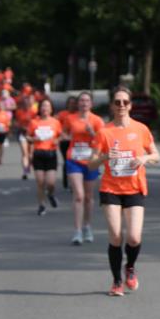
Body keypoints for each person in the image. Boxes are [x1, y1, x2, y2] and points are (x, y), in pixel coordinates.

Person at [88, 87, 159, 296]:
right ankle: (117, 281)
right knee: (116, 236)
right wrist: (104, 157)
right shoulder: (104, 132)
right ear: (112, 105)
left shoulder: (141, 129)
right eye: (117, 102)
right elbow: (91, 163)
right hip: (110, 188)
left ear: (130, 105)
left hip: (135, 188)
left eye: (125, 102)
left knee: (134, 237)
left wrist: (145, 158)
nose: (121, 106)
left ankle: (130, 267)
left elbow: (156, 154)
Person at [62, 91, 104, 245]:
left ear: (91, 104)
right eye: (81, 100)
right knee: (78, 195)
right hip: (74, 159)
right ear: (77, 103)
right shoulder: (70, 118)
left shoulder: (97, 120)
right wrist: (65, 137)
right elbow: (64, 133)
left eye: (87, 101)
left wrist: (92, 133)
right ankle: (77, 231)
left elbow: (103, 140)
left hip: (91, 160)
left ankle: (87, 226)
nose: (84, 103)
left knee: (88, 197)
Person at [25, 98, 62, 216]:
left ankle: (50, 194)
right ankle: (41, 205)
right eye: (43, 106)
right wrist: (33, 139)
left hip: (51, 154)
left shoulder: (55, 122)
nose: (45, 108)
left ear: (51, 109)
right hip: (38, 154)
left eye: (47, 106)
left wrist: (57, 140)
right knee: (40, 182)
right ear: (39, 109)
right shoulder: (34, 122)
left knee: (51, 183)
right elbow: (27, 137)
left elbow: (61, 136)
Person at [56, 96, 78, 190]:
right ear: (67, 104)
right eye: (70, 103)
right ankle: (66, 181)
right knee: (67, 161)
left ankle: (74, 181)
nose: (72, 105)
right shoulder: (62, 114)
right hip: (65, 142)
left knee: (75, 161)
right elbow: (55, 125)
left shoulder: (79, 114)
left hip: (76, 142)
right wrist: (62, 134)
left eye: (74, 103)